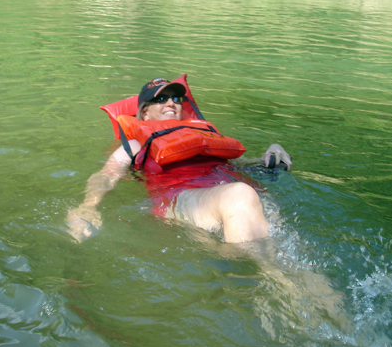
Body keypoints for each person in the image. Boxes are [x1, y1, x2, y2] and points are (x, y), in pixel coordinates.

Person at [67, 78, 292, 244]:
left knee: (289, 258)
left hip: (232, 194)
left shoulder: (206, 136)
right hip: (183, 199)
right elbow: (106, 176)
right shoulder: (137, 145)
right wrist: (87, 207)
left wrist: (272, 151)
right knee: (240, 197)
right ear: (144, 114)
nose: (171, 103)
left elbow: (245, 164)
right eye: (161, 99)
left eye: (176, 98)